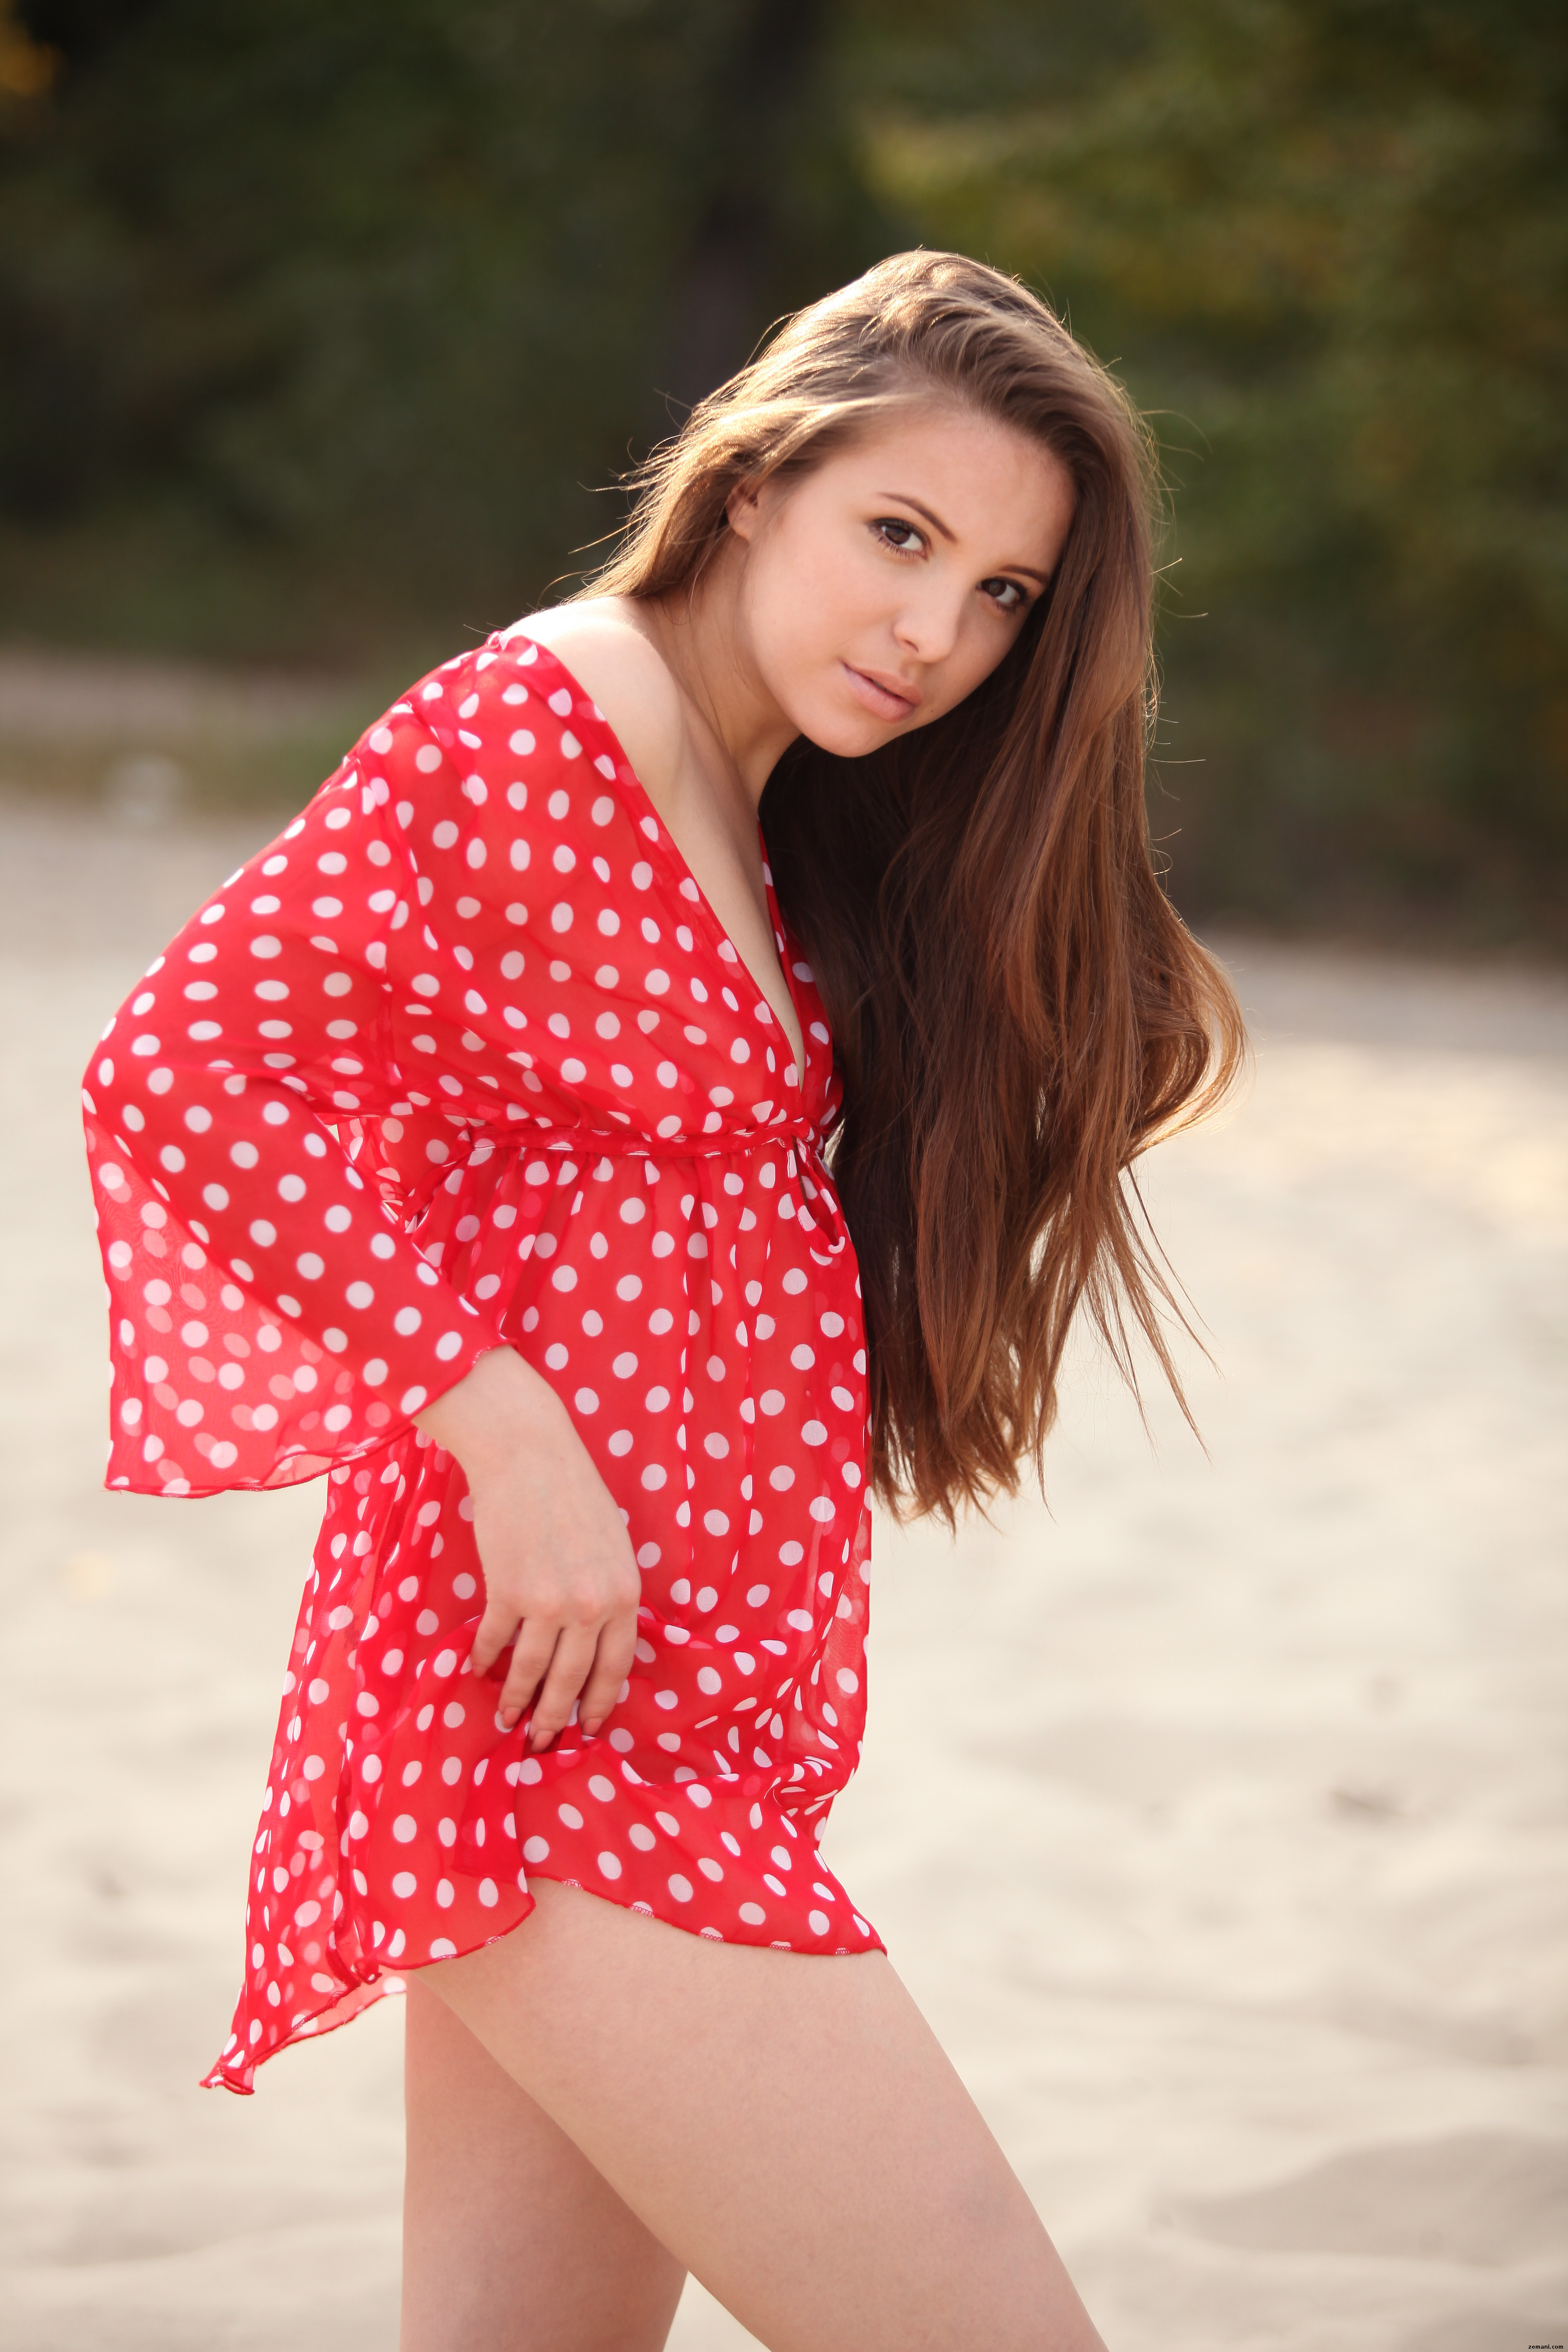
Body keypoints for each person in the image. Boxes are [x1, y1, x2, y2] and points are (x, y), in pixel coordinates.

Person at [84, 250, 1243, 2350]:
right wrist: (499, 1427)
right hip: (551, 1740)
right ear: (753, 485)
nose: (937, 631)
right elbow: (183, 1070)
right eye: (900, 534)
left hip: (675, 1718)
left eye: (1002, 592)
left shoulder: (755, 793)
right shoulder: (548, 714)